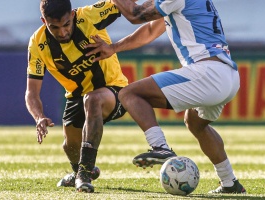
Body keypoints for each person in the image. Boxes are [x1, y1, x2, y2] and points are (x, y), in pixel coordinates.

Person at [85, 0, 246, 194]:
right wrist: (113, 48)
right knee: (195, 122)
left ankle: (160, 147)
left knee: (129, 93)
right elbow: (151, 30)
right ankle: (230, 182)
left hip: (208, 72)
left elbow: (135, 14)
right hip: (228, 74)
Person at [25, 0, 128, 193]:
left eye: (66, 25)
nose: (62, 32)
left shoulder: (88, 16)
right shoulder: (38, 44)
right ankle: (80, 170)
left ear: (72, 15)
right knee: (69, 147)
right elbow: (31, 92)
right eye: (54, 27)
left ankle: (84, 173)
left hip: (114, 89)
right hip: (76, 97)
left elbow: (122, 2)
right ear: (43, 21)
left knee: (93, 100)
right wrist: (38, 117)